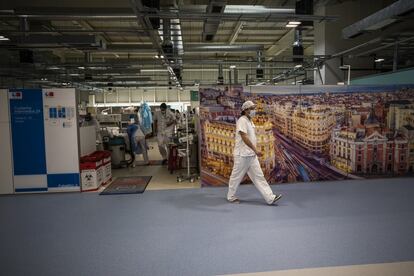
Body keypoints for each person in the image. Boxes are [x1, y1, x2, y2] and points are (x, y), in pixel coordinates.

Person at [227, 100, 282, 205]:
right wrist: (256, 150)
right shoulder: (242, 120)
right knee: (236, 177)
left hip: (250, 155)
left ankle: (270, 198)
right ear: (246, 110)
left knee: (259, 177)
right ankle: (230, 196)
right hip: (242, 155)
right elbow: (244, 137)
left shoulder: (250, 121)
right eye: (252, 108)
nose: (254, 110)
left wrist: (254, 151)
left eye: (254, 108)